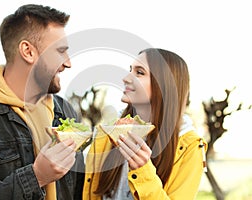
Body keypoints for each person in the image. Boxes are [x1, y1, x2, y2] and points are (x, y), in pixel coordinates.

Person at [0, 4, 80, 200]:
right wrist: (36, 176)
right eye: (60, 51)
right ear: (28, 51)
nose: (68, 62)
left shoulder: (65, 111)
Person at [83, 48, 207, 199]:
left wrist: (143, 171)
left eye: (139, 72)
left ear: (164, 85)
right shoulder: (107, 132)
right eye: (130, 70)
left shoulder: (190, 147)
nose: (126, 78)